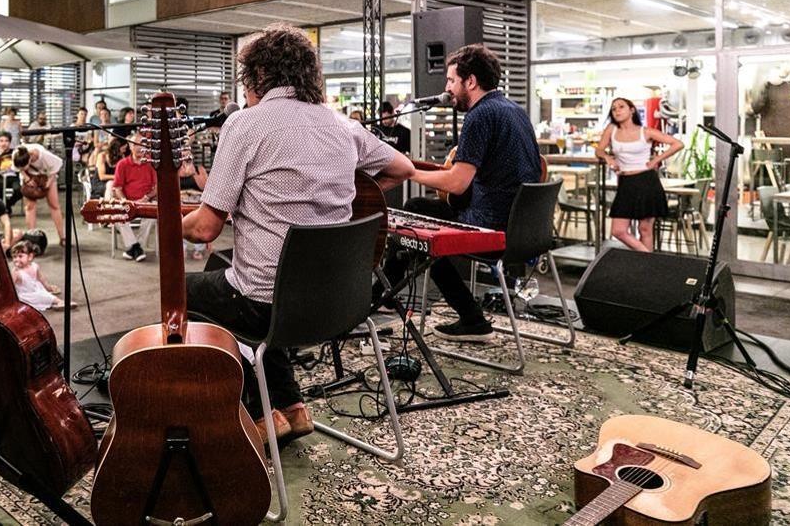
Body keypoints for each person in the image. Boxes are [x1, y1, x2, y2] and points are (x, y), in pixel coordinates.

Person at [181, 24, 414, 443]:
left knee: (184, 292)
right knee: (249, 277)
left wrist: (167, 223)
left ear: (258, 77)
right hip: (341, 303)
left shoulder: (245, 125)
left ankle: (255, 412)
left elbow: (204, 227)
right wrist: (358, 193)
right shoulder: (344, 126)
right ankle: (292, 406)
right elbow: (402, 168)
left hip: (271, 307)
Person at [390, 44, 541, 340]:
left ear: (470, 81)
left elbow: (458, 183)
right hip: (526, 230)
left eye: (450, 81)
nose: (447, 88)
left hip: (492, 229)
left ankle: (383, 295)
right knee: (419, 209)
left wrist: (408, 171)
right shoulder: (514, 110)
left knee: (418, 224)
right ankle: (388, 293)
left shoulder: (479, 115)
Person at [595, 97, 684, 252]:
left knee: (645, 230)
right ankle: (650, 259)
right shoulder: (611, 129)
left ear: (632, 110)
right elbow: (599, 150)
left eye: (621, 107)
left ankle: (646, 269)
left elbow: (678, 144)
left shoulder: (646, 131)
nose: (617, 111)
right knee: (618, 230)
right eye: (614, 108)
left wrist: (657, 159)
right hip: (625, 183)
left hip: (646, 182)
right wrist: (608, 157)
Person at [112, 134, 156, 262]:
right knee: (117, 215)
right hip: (128, 201)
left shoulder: (151, 163)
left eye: (143, 145)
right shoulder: (122, 164)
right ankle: (136, 247)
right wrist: (125, 201)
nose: (140, 148)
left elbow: (158, 186)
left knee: (152, 216)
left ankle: (135, 248)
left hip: (146, 200)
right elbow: (118, 188)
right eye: (136, 145)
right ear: (130, 146)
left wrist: (146, 198)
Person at [12, 142, 65, 242]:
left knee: (54, 205)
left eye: (25, 166)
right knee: (30, 207)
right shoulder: (17, 154)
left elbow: (57, 165)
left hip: (47, 175)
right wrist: (26, 178)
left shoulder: (44, 156)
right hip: (30, 177)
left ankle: (62, 237)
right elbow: (18, 168)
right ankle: (31, 237)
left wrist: (48, 182)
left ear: (30, 159)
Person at [10, 240, 65, 312]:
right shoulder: (16, 272)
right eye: (14, 257)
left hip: (36, 288)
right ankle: (59, 301)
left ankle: (57, 301)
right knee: (41, 296)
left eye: (20, 256)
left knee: (44, 294)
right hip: (26, 294)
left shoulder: (34, 266)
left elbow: (41, 278)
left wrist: (48, 287)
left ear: (30, 256)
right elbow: (10, 286)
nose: (16, 259)